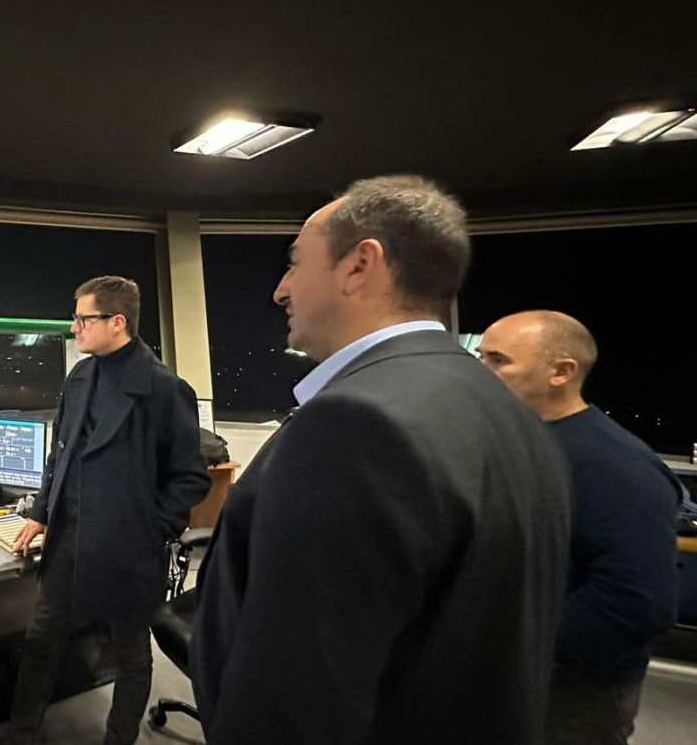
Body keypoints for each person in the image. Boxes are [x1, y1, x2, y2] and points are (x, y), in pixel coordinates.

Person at [190, 176, 573, 744]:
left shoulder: (355, 424)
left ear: (360, 265)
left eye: (295, 264)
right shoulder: (503, 407)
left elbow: (298, 698)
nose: (280, 291)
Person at [6, 275, 211, 745]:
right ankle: (20, 733)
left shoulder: (164, 389)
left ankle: (119, 738)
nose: (73, 327)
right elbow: (60, 453)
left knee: (131, 656)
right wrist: (41, 510)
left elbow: (191, 477)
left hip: (127, 550)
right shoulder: (80, 377)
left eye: (84, 319)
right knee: (41, 640)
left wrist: (151, 530)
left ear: (117, 322)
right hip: (68, 538)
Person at [479, 310, 680, 744]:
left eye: (498, 361)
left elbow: (636, 601)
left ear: (562, 372)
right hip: (508, 680)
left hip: (571, 695)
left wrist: (523, 656)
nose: (480, 372)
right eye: (481, 358)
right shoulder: (517, 439)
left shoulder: (614, 466)